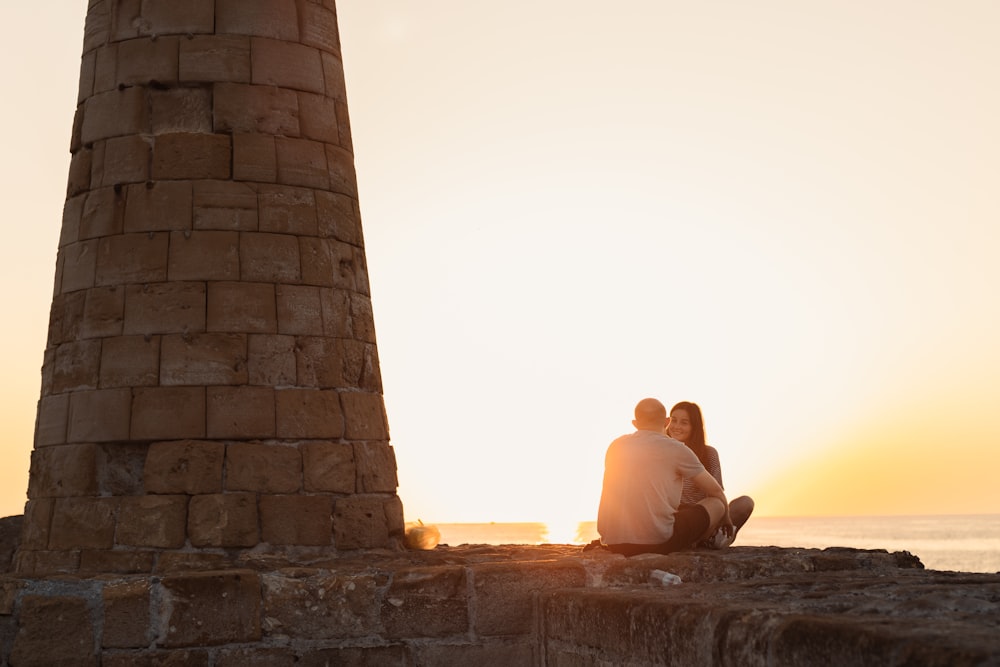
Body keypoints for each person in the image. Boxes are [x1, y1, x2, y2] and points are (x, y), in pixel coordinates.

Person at [597, 398, 734, 557]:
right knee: (716, 504)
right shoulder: (676, 448)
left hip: (614, 543)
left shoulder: (616, 445)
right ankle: (696, 543)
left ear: (635, 423)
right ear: (667, 421)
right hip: (657, 542)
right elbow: (716, 492)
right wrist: (726, 520)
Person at [667, 401, 754, 548]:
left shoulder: (708, 454)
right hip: (675, 518)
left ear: (694, 427)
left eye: (684, 422)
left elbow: (716, 493)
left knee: (745, 503)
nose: (676, 426)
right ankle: (710, 540)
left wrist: (722, 517)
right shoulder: (661, 452)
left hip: (703, 514)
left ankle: (715, 536)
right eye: (673, 421)